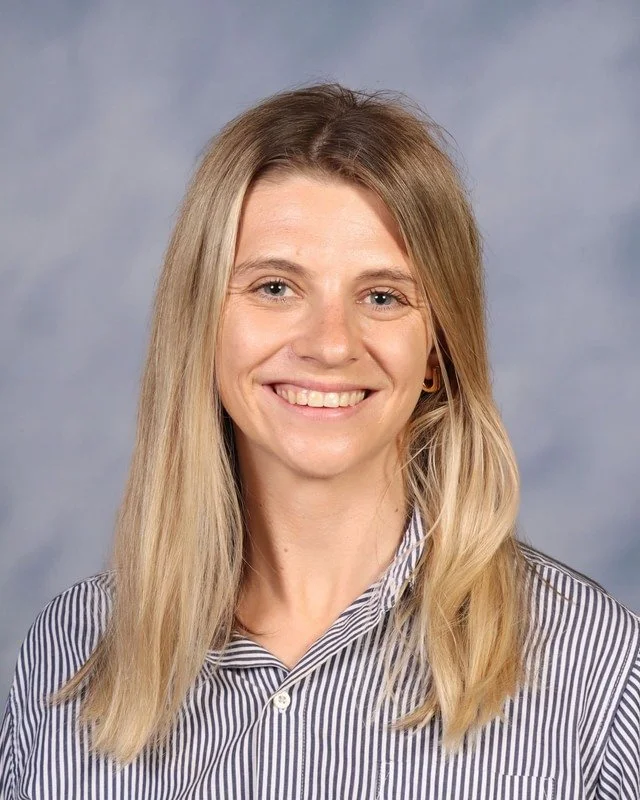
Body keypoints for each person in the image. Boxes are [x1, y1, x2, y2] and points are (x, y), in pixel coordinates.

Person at [0, 83, 638, 799]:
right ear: (202, 327)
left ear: (437, 350)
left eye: (382, 296)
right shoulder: (70, 654)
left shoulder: (597, 669)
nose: (330, 345)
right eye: (276, 288)